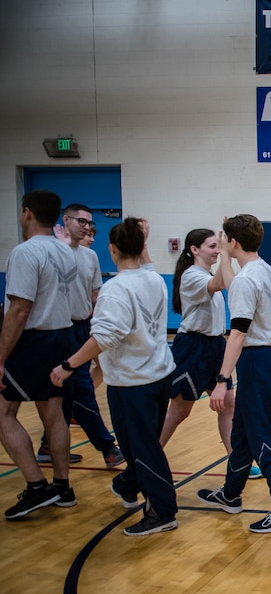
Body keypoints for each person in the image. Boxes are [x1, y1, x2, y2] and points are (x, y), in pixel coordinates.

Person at [51, 218, 178, 536]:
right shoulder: (153, 279)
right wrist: (143, 239)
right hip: (159, 374)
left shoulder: (115, 290)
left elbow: (103, 338)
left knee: (143, 447)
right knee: (143, 444)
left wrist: (68, 366)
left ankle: (162, 511)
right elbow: (145, 263)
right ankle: (126, 483)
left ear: (111, 249)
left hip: (133, 382)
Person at [197, 214, 271, 533]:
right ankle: (231, 494)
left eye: (224, 240)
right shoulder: (263, 269)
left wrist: (222, 379)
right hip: (270, 356)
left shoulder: (246, 279)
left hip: (258, 359)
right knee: (242, 430)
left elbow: (239, 332)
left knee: (263, 434)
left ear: (233, 243)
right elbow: (234, 285)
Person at [0, 190, 77, 519]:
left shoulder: (25, 253)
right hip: (62, 336)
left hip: (31, 340)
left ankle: (36, 487)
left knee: (2, 414)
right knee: (53, 412)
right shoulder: (67, 252)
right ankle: (62, 486)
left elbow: (19, 309)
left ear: (27, 213)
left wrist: (0, 357)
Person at [38, 204, 123, 469]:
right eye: (81, 221)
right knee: (82, 388)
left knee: (67, 391)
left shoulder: (89, 257)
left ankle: (47, 445)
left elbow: (95, 294)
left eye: (89, 223)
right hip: (58, 330)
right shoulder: (51, 253)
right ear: (66, 220)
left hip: (83, 326)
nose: (87, 227)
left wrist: (98, 327)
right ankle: (108, 447)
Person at [159, 228, 237, 465]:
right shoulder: (192, 275)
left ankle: (235, 458)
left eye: (217, 246)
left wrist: (225, 255)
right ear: (194, 249)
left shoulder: (207, 273)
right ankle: (150, 454)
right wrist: (227, 253)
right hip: (193, 347)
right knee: (180, 410)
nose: (216, 250)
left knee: (227, 404)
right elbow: (220, 283)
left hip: (215, 346)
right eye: (211, 246)